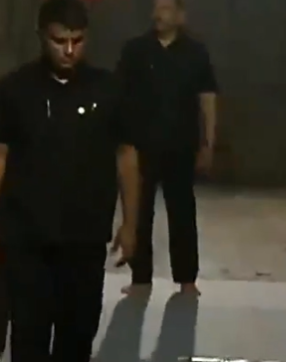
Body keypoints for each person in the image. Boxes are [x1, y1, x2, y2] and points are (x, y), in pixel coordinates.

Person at [0, 0, 141, 362]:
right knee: (30, 332)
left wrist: (131, 224)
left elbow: (127, 156)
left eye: (77, 41)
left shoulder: (108, 89)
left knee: (79, 328)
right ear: (41, 36)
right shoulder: (16, 90)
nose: (69, 50)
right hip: (26, 234)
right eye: (59, 41)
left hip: (85, 235)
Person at [116, 0, 218, 296]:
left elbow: (207, 99)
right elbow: (118, 95)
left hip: (181, 145)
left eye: (166, 9)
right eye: (156, 8)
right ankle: (140, 278)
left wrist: (208, 143)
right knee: (140, 210)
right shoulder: (136, 51)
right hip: (141, 145)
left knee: (182, 212)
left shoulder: (195, 53)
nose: (158, 14)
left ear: (180, 15)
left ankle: (186, 279)